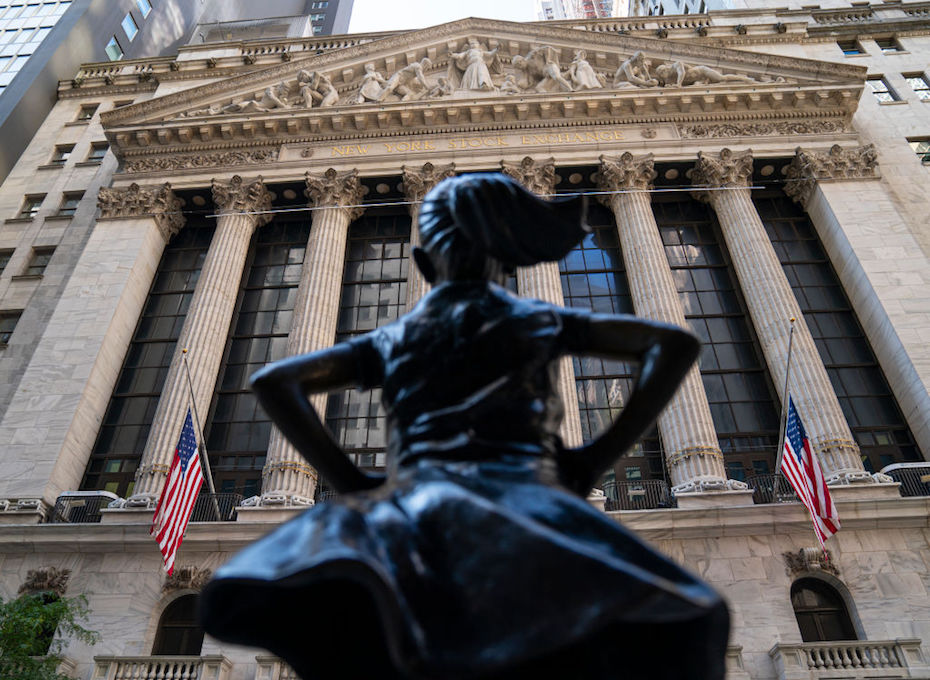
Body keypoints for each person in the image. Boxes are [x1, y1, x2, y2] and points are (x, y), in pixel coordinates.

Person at [200, 174, 729, 680]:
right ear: (508, 256)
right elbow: (673, 344)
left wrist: (353, 484)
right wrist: (593, 457)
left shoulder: (396, 337)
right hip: (527, 500)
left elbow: (275, 381)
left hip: (417, 508)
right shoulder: (535, 318)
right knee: (688, 616)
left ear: (422, 262)